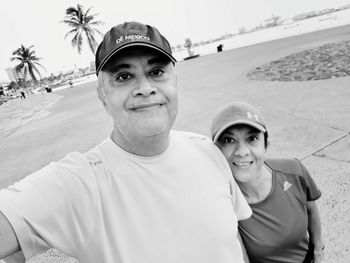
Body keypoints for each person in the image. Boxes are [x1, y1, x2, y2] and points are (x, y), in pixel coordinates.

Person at [0, 21, 252, 263]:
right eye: (123, 76)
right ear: (102, 94)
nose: (145, 87)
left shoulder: (207, 151)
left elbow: (233, 240)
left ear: (174, 82)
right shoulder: (80, 182)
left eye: (156, 72)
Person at [210, 101, 325, 263]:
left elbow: (312, 209)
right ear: (216, 151)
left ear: (266, 145)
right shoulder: (220, 200)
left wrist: (318, 251)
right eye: (229, 140)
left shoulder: (294, 171)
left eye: (252, 138)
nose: (242, 152)